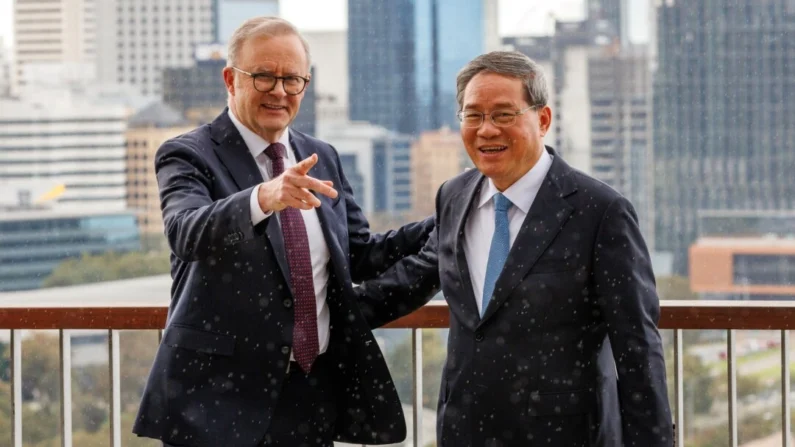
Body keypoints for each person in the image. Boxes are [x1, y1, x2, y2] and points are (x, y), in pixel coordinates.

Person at [132, 16, 434, 447]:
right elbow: (186, 232)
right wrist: (264, 197)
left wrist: (446, 219)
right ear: (230, 80)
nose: (279, 90)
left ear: (305, 86)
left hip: (310, 396)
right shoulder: (188, 153)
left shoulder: (320, 155)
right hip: (215, 405)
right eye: (264, 76)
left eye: (292, 79)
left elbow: (361, 254)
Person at [356, 51, 673, 447]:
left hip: (564, 435)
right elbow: (410, 278)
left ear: (543, 120)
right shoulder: (454, 196)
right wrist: (307, 320)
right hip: (465, 429)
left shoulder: (599, 211)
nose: (486, 130)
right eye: (473, 115)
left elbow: (638, 347)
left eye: (503, 115)